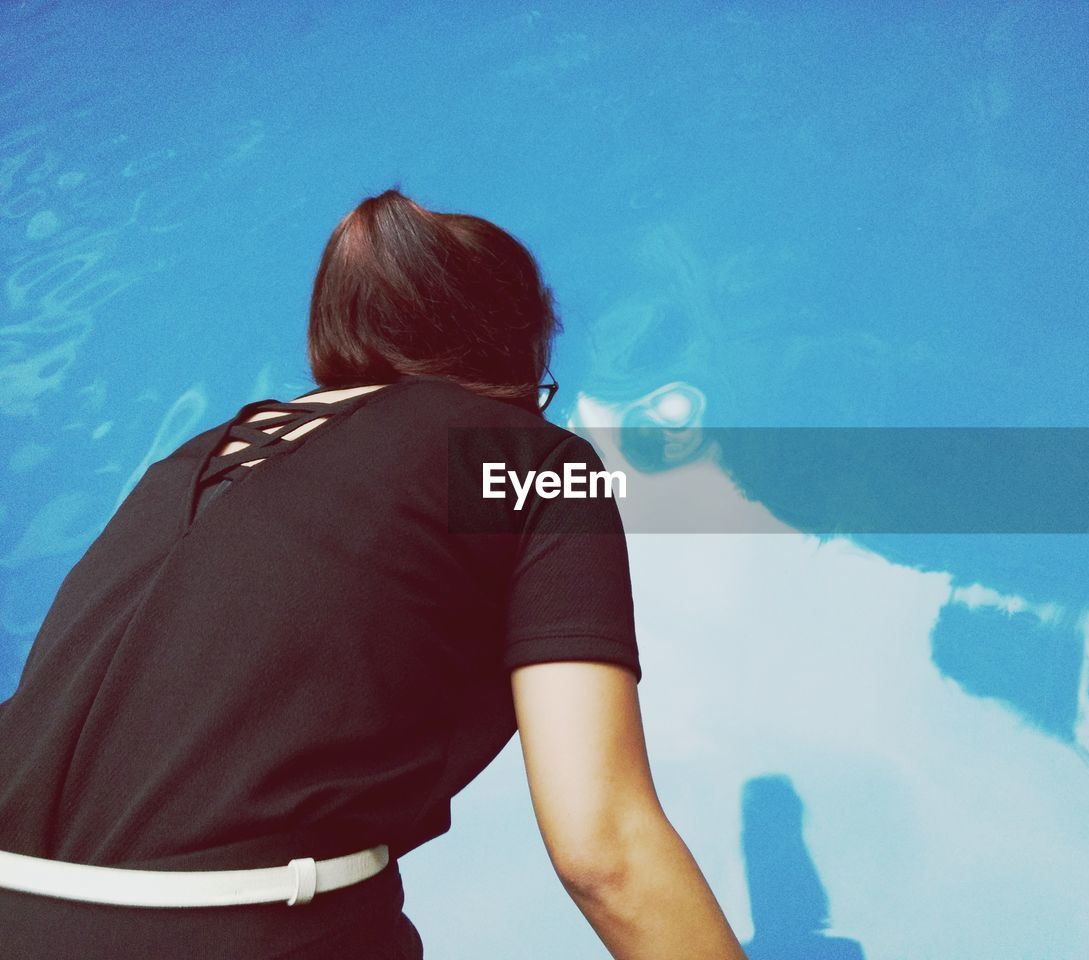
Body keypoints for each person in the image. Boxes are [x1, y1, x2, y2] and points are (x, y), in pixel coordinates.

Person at [0, 189, 747, 960]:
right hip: (249, 929)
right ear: (512, 353)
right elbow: (605, 852)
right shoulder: (534, 462)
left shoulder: (186, 460)